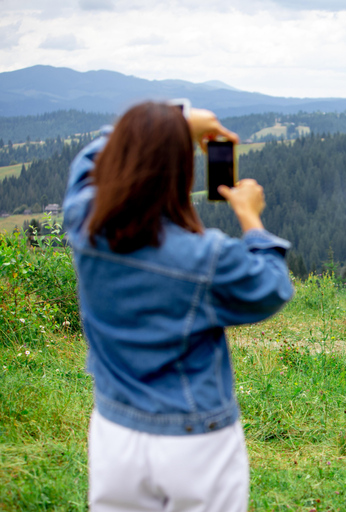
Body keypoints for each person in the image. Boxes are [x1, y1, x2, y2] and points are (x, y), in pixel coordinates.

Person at [63, 101, 294, 511]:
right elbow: (272, 287)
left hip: (116, 431)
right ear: (179, 175)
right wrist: (251, 219)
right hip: (195, 437)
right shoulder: (205, 257)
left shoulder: (85, 222)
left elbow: (92, 157)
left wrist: (176, 121)